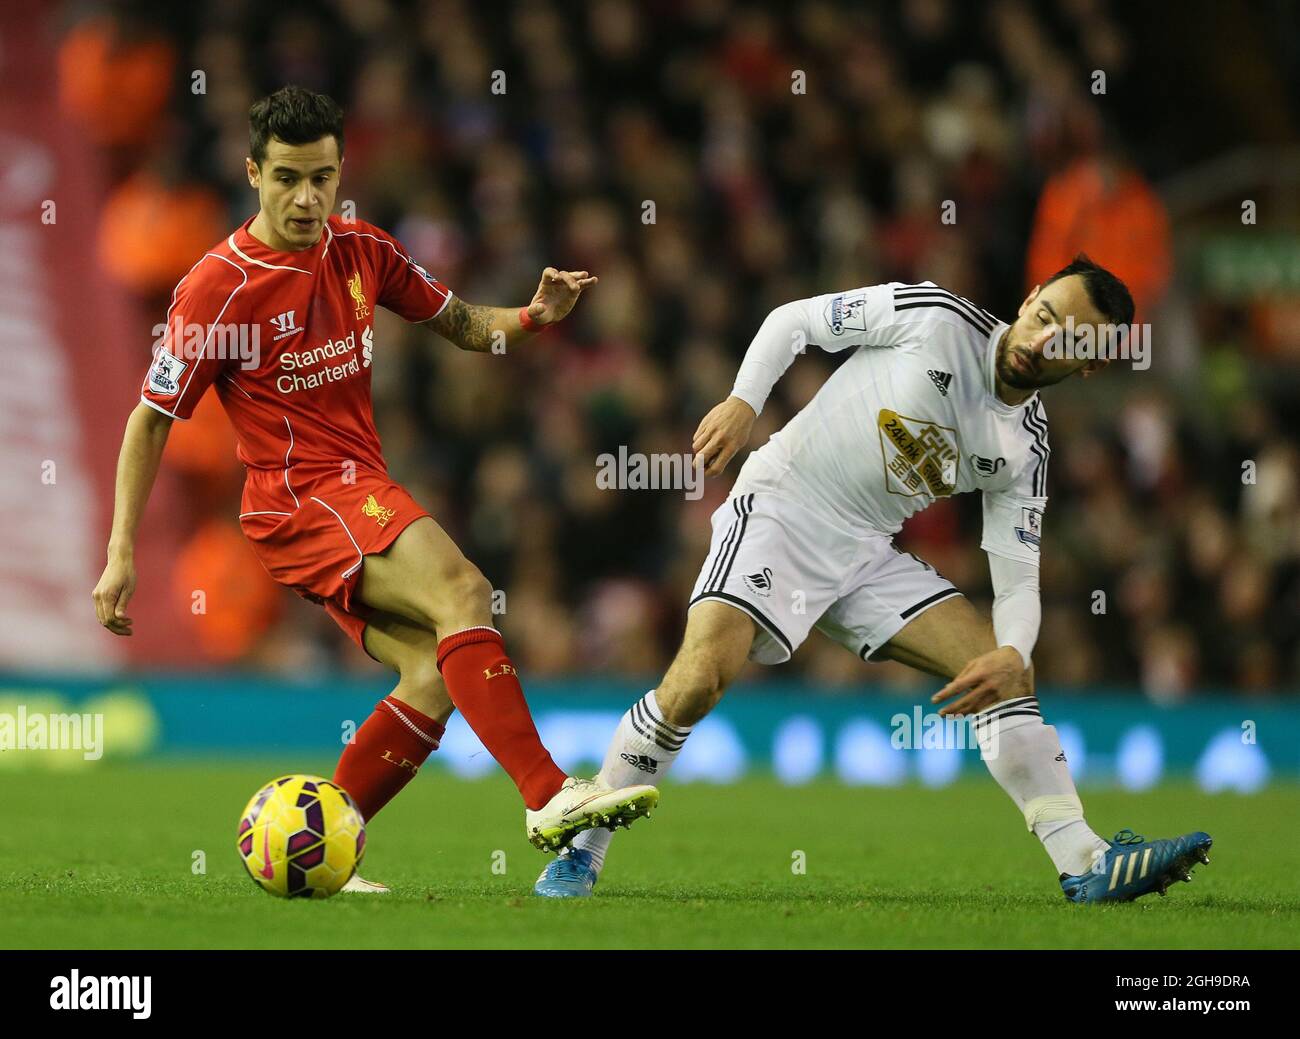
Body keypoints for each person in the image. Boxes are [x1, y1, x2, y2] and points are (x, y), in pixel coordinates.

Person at [92, 86, 657, 892]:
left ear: (340, 170)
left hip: (353, 492)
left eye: (321, 177)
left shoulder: (361, 248)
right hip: (301, 502)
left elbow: (460, 322)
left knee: (432, 668)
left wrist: (532, 315)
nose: (305, 197)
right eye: (286, 177)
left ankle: (317, 846)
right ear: (252, 171)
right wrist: (121, 555)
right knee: (466, 587)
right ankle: (547, 793)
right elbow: (150, 420)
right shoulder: (217, 288)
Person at [535, 257, 1209, 903]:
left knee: (1003, 671)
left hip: (864, 552)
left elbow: (1017, 576)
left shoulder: (1025, 445)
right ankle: (582, 847)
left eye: (1070, 339)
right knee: (700, 679)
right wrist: (745, 401)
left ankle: (1084, 859)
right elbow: (792, 320)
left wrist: (1016, 649)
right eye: (1047, 313)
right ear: (1031, 295)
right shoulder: (938, 317)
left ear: (1087, 366)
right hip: (783, 505)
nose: (1044, 338)